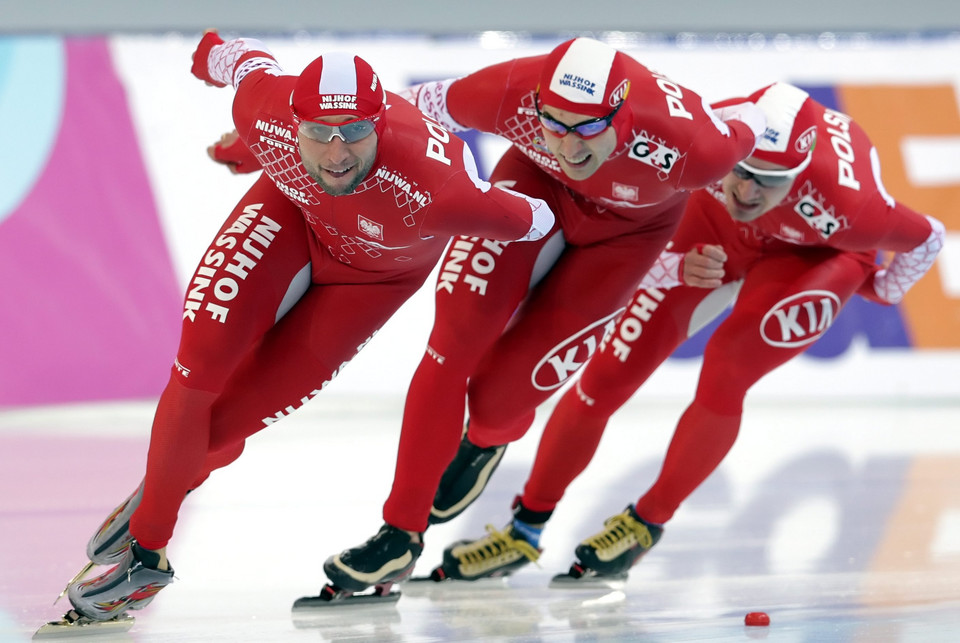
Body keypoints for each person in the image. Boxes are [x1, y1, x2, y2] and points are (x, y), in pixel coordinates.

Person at [58, 30, 557, 625]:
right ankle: (148, 551)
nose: (336, 153)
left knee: (222, 428)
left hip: (368, 285)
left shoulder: (442, 187)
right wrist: (219, 82)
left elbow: (538, 216)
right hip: (289, 216)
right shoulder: (265, 106)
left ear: (378, 123)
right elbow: (231, 52)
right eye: (318, 133)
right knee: (198, 364)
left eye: (353, 134)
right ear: (294, 121)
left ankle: (169, 483)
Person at [422, 82, 946, 583]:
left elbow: (928, 238)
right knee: (604, 378)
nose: (747, 189)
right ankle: (524, 530)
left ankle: (647, 519)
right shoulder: (699, 136)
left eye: (769, 180)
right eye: (742, 171)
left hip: (813, 256)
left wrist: (881, 287)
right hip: (712, 232)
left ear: (802, 174)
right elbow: (624, 231)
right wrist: (673, 266)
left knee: (727, 368)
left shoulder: (849, 205)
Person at [321, 36, 766, 593]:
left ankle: (486, 438)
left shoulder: (698, 145)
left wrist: (677, 265)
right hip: (532, 192)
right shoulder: (508, 91)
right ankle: (399, 536)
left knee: (495, 398)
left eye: (586, 128)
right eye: (553, 124)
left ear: (623, 111)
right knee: (451, 342)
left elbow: (756, 117)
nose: (569, 144)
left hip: (626, 240)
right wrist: (289, 143)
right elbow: (388, 115)